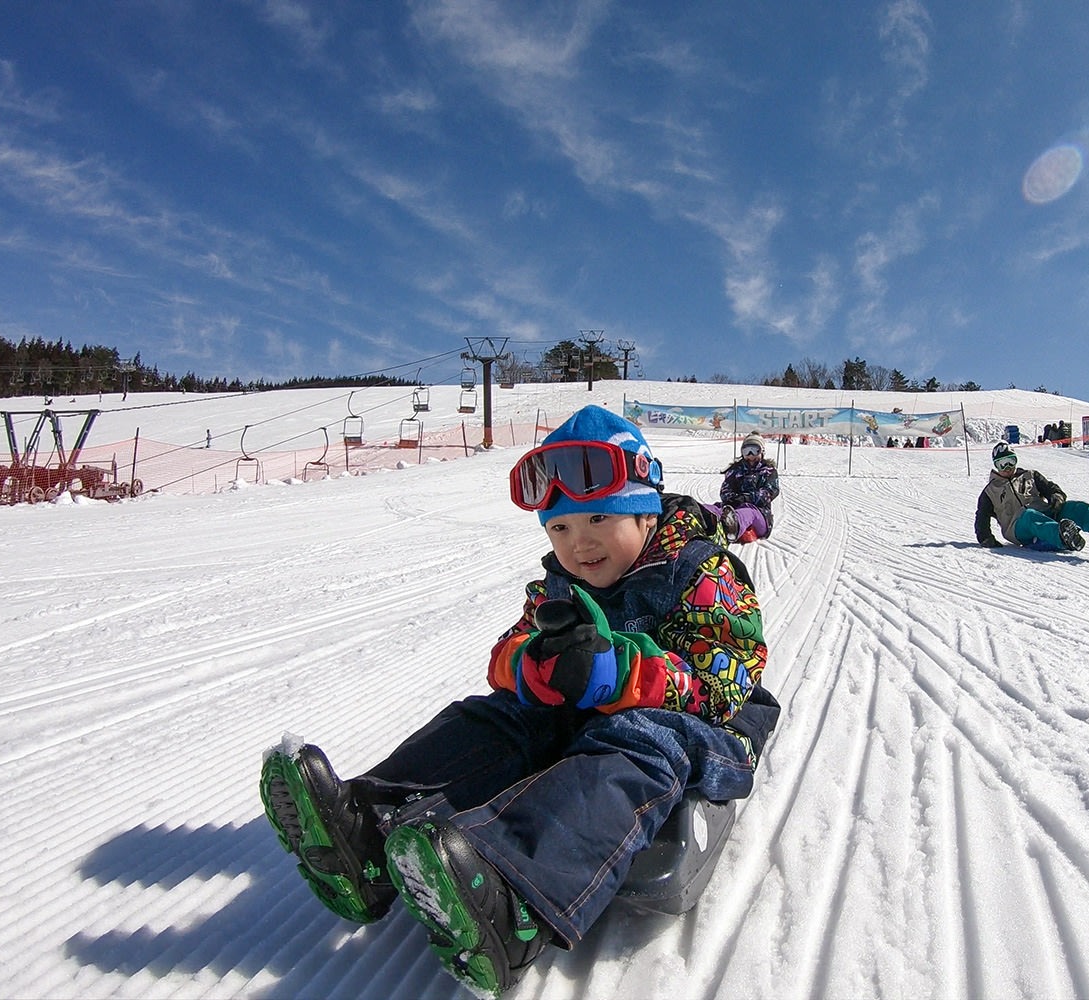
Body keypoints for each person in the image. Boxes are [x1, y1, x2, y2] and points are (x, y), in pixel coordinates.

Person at [259, 404, 779, 996]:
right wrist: (531, 667)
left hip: (696, 725)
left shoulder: (700, 572)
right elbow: (504, 654)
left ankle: (511, 901)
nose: (580, 544)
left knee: (636, 742)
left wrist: (625, 674)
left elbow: (730, 675)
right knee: (496, 716)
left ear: (645, 510)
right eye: (560, 529)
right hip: (584, 713)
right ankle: (368, 832)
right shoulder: (558, 585)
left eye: (599, 518)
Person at [975, 441, 1089, 552]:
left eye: (1010, 461)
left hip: (1045, 514)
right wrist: (985, 538)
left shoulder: (1030, 475)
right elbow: (982, 516)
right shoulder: (990, 491)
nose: (1008, 467)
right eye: (1002, 464)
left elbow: (1051, 488)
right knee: (1029, 516)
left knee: (1073, 507)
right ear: (996, 466)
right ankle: (1063, 536)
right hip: (1017, 527)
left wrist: (1057, 497)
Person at [707, 432, 780, 543]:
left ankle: (731, 527)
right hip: (732, 507)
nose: (750, 455)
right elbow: (725, 490)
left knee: (748, 511)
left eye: (755, 450)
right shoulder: (735, 470)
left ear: (762, 451)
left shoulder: (768, 471)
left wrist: (745, 498)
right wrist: (733, 499)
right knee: (717, 508)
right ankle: (700, 518)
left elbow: (769, 493)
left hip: (760, 514)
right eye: (746, 451)